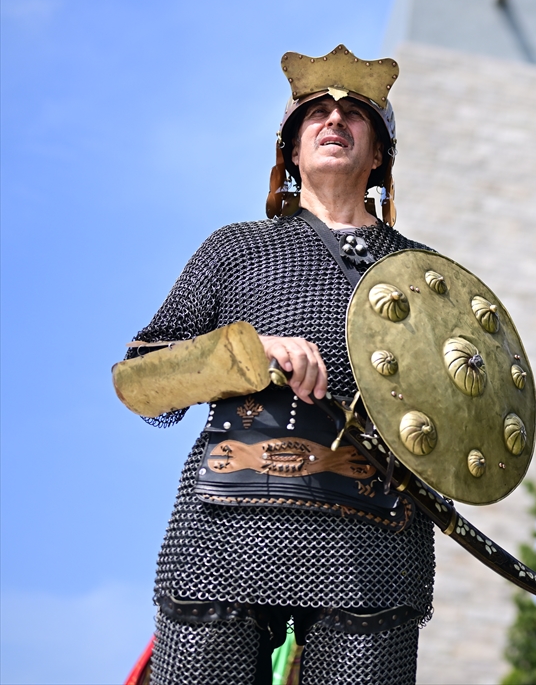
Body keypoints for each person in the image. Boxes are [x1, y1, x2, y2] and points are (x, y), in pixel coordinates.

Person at [129, 45, 434, 685]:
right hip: (230, 524)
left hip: (371, 534)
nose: (334, 120)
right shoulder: (235, 249)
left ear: (379, 155)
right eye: (316, 112)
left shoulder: (423, 277)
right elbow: (142, 379)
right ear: (291, 150)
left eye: (355, 114)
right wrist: (251, 349)